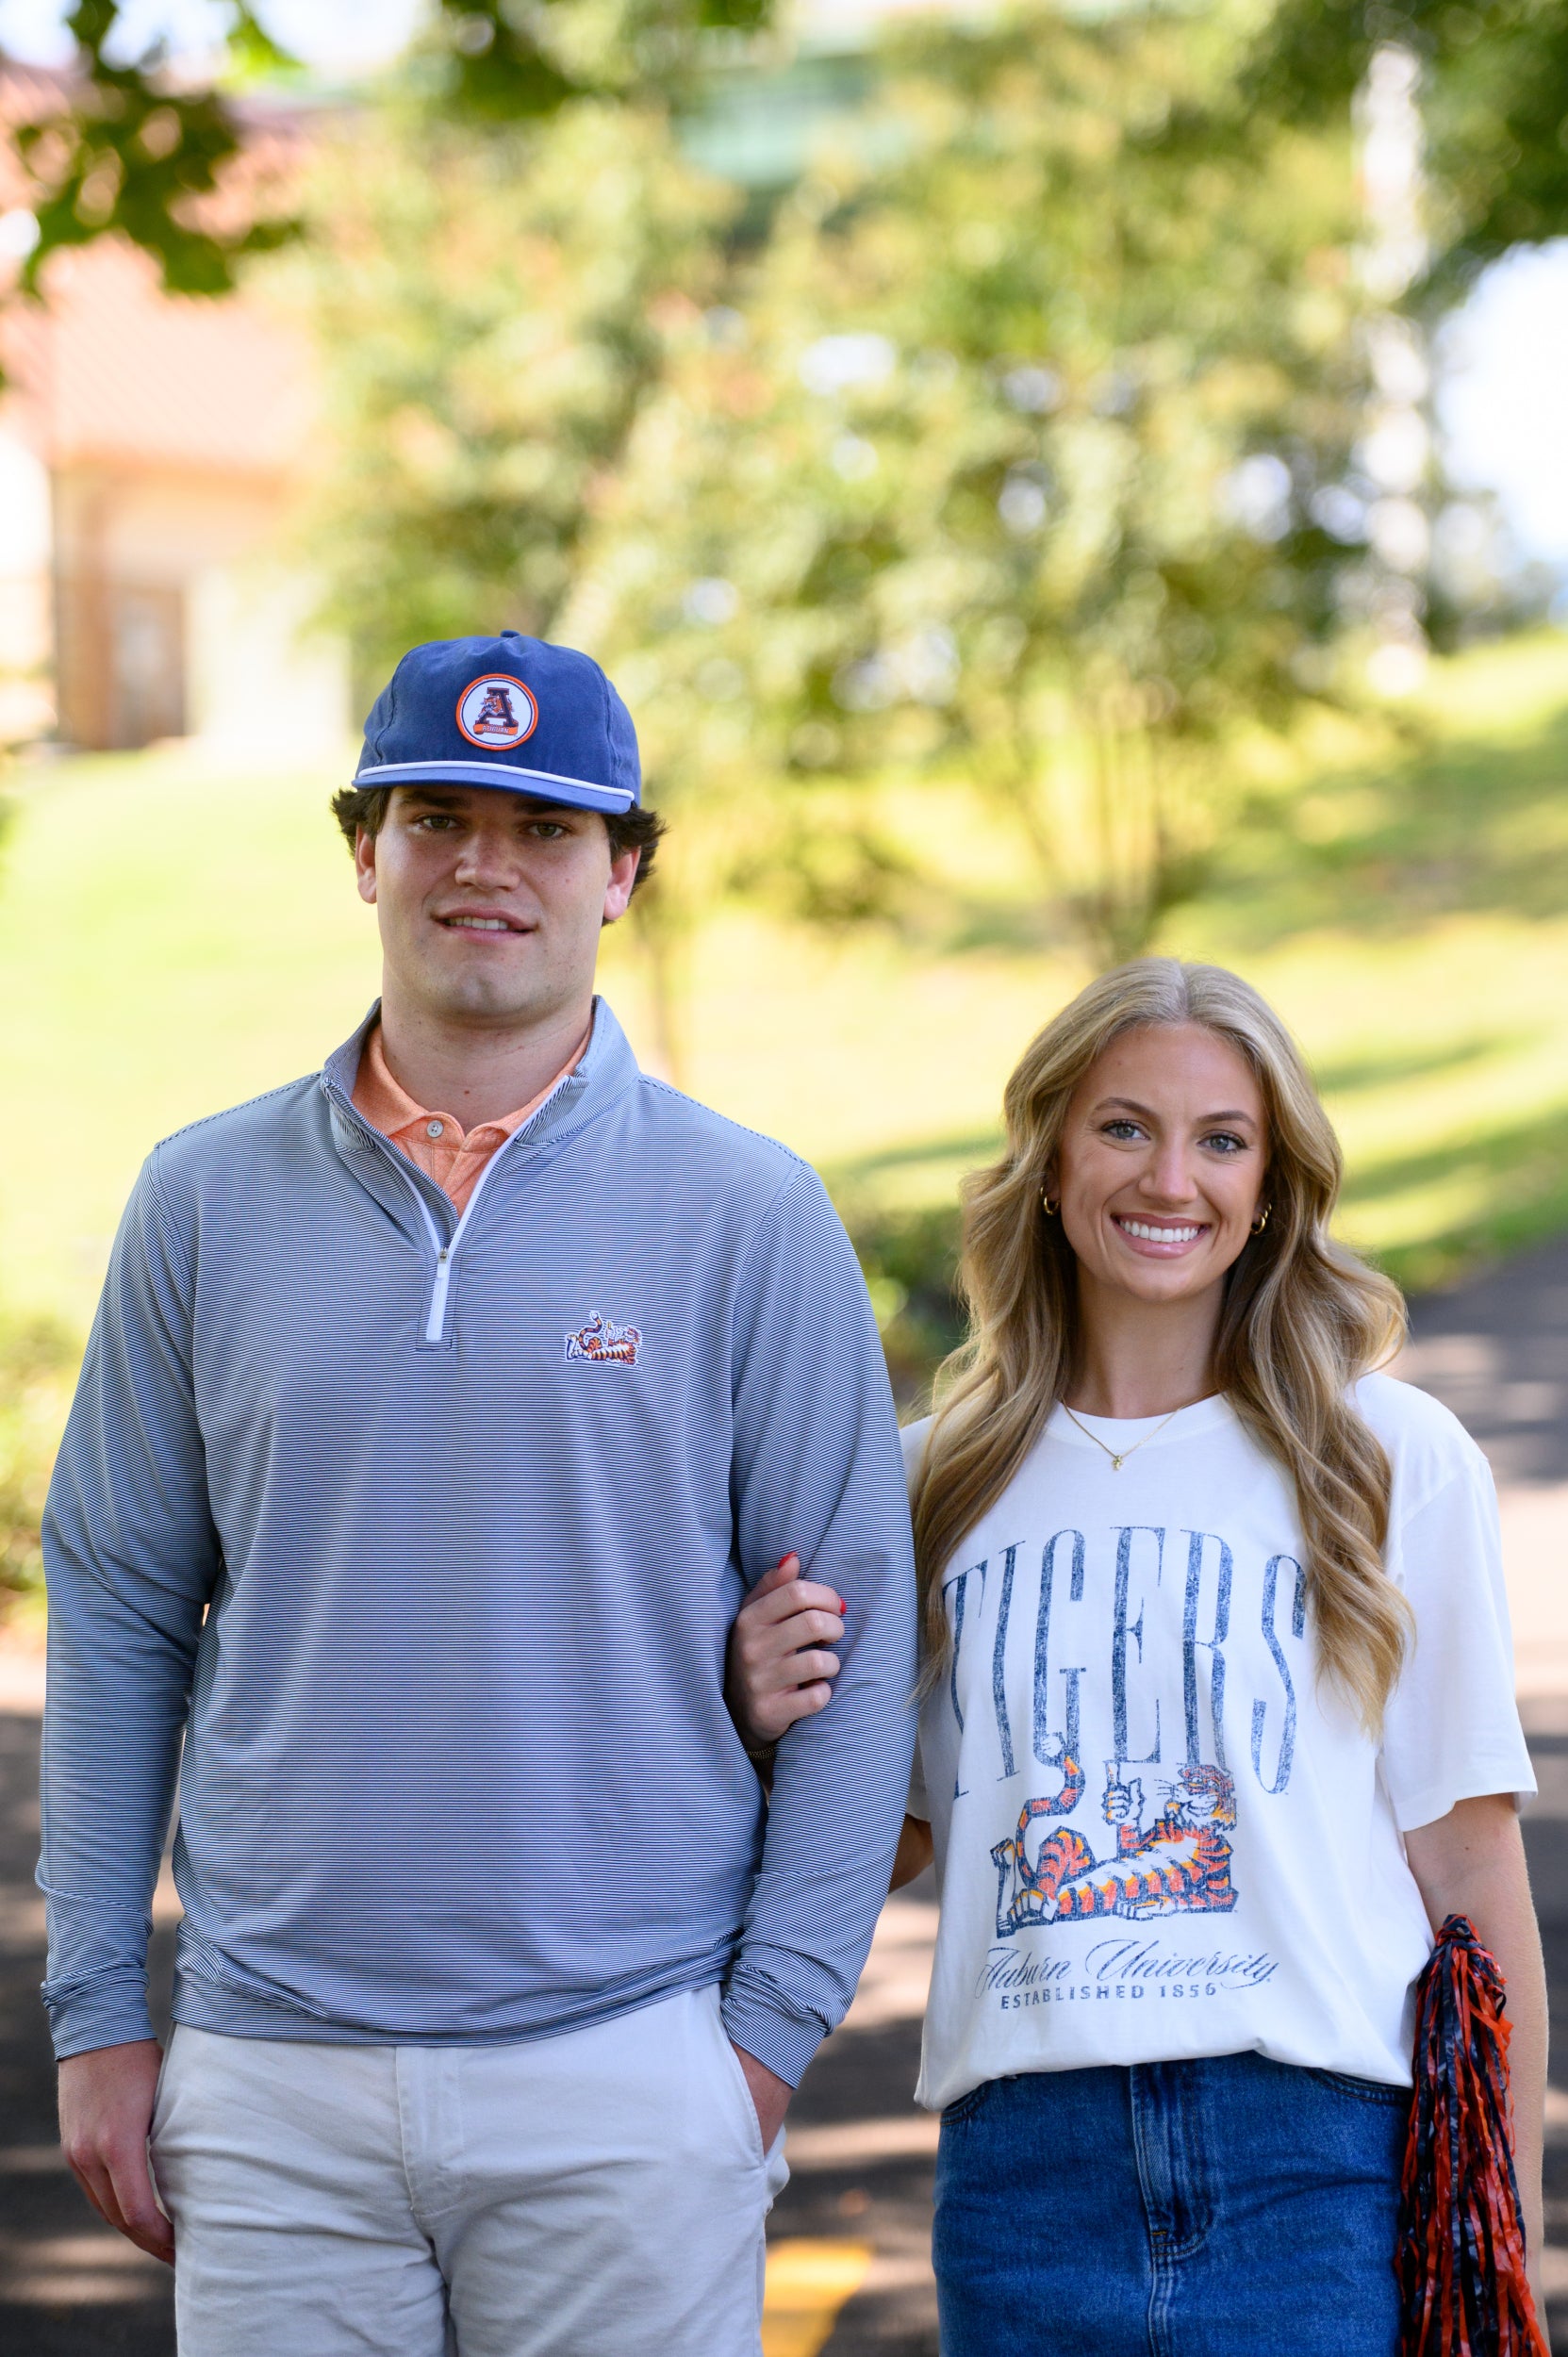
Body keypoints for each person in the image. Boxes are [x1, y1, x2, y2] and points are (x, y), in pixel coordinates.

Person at [40, 629, 916, 2357]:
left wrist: (763, 2042)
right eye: (437, 816)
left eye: (546, 829)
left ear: (624, 874)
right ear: (364, 852)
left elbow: (861, 1634)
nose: (484, 867)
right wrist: (96, 2015)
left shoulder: (749, 1213)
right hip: (274, 2075)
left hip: (631, 2061)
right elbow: (123, 1605)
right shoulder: (202, 1200)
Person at [729, 956, 1545, 2356]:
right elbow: (881, 1839)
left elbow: (1471, 1873)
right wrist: (758, 1724)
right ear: (1050, 1160)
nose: (1172, 1179)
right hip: (1023, 2187)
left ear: (1272, 1184)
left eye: (1222, 1140)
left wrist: (1499, 2258)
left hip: (1314, 2177)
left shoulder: (1388, 1460)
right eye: (1124, 1127)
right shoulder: (926, 1484)